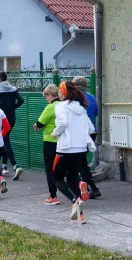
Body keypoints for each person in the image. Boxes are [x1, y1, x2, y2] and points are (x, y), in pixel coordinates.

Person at [52, 81, 96, 225]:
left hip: (65, 149)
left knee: (57, 179)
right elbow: (90, 128)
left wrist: (55, 133)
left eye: (59, 90)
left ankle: (75, 200)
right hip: (80, 149)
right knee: (71, 178)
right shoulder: (81, 108)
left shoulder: (60, 106)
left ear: (63, 93)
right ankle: (79, 215)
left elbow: (62, 123)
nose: (58, 93)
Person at [72, 76, 101, 198]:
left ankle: (91, 189)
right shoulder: (92, 97)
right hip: (92, 132)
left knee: (80, 163)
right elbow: (96, 113)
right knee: (81, 161)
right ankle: (88, 188)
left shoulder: (75, 99)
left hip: (80, 133)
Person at [0, 71, 24, 180]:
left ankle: (16, 166)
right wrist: (13, 107)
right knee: (5, 139)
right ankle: (4, 166)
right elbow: (21, 100)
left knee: (5, 141)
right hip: (11, 118)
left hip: (1, 118)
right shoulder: (13, 89)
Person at [34, 84, 61, 205]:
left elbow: (40, 122)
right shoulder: (63, 105)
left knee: (49, 169)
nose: (46, 99)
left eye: (46, 96)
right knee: (65, 169)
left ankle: (53, 196)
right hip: (63, 142)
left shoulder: (50, 107)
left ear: (50, 94)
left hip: (50, 141)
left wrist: (36, 126)